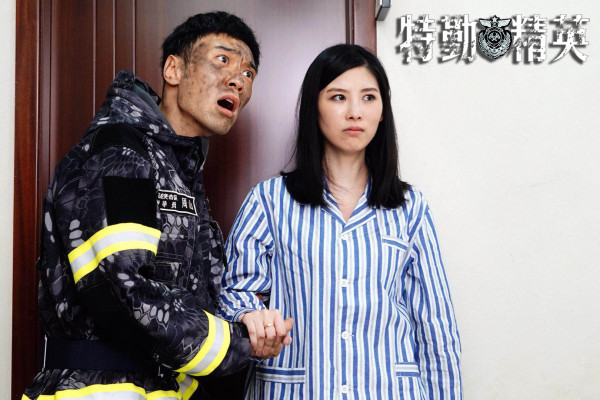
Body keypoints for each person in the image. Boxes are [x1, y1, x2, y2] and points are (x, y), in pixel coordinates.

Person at [23, 11, 291, 400]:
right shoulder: (121, 152)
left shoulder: (180, 172)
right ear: (173, 70)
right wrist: (237, 343)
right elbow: (123, 291)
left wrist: (247, 318)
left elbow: (196, 299)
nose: (239, 79)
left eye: (249, 73)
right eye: (223, 59)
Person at [219, 44, 462, 399]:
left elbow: (435, 326)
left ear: (382, 111)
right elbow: (233, 292)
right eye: (338, 97)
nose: (355, 112)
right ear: (314, 107)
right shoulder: (269, 201)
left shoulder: (411, 208)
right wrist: (253, 317)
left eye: (368, 98)